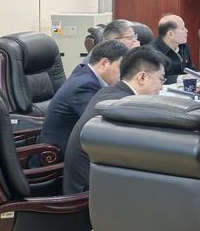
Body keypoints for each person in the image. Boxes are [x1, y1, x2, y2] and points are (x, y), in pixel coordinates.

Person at [63, 46, 168, 195]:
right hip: (88, 195)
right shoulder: (125, 106)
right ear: (142, 77)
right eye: (161, 79)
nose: (161, 87)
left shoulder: (109, 91)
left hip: (86, 183)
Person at [37, 39, 127, 161]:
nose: (123, 75)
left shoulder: (85, 73)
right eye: (121, 68)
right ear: (104, 63)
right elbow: (99, 123)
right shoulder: (85, 85)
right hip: (57, 157)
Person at [76, 19, 141, 70]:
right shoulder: (103, 58)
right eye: (130, 38)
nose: (135, 41)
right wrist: (132, 55)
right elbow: (127, 77)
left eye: (135, 36)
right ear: (115, 41)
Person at [150, 13, 195, 83]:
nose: (187, 31)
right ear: (171, 34)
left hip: (185, 87)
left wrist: (198, 76)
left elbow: (191, 68)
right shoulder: (152, 52)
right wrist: (180, 78)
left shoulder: (183, 46)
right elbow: (155, 79)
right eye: (183, 29)